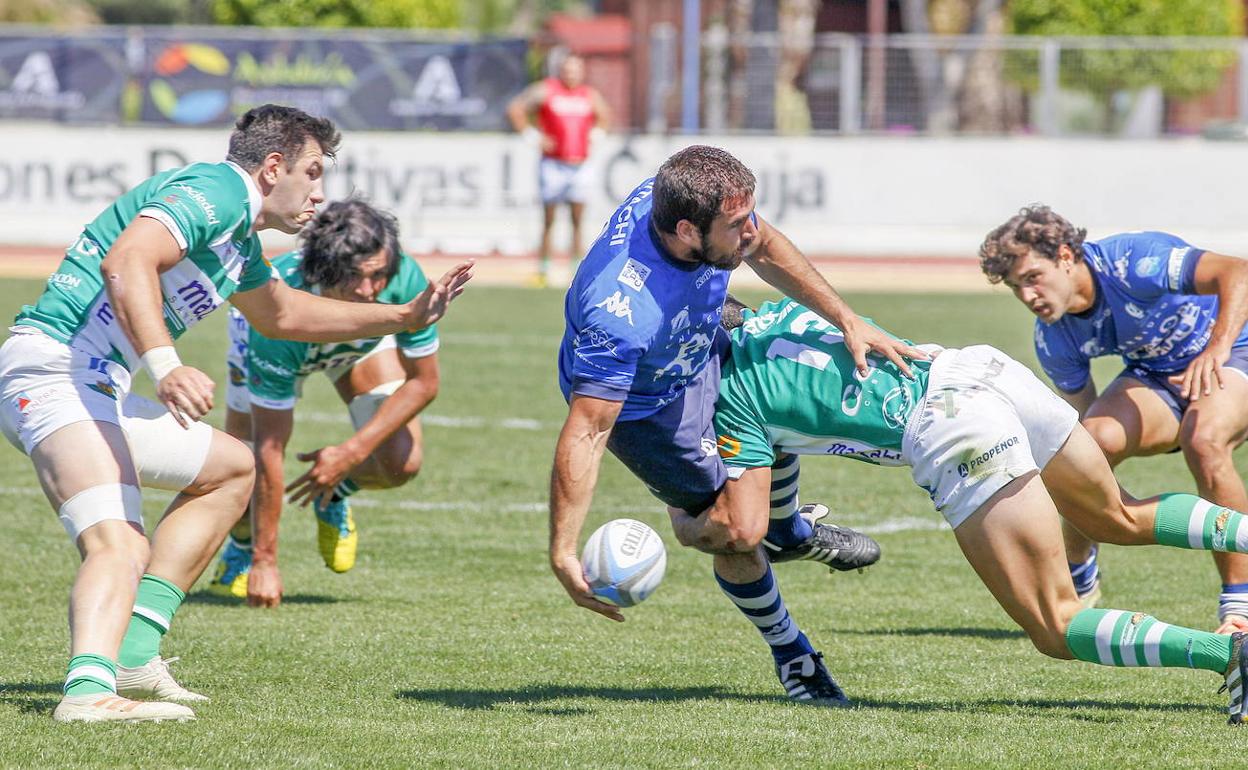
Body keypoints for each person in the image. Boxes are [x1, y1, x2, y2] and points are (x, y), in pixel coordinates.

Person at [0, 105, 472, 723]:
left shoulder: (239, 240)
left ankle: (135, 656)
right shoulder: (218, 190)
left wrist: (404, 317)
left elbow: (284, 316)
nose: (319, 193)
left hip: (93, 384)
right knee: (118, 542)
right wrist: (167, 366)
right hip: (54, 371)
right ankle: (88, 693)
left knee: (231, 468)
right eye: (312, 172)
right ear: (273, 168)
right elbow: (127, 260)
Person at [697, 295, 1248, 724]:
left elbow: (743, 525)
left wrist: (701, 523)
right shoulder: (782, 313)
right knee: (1117, 517)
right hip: (983, 370)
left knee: (1057, 624)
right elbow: (782, 443)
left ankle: (1226, 652)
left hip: (955, 428)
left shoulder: (733, 394)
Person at [549, 145, 923, 706]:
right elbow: (587, 432)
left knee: (794, 380)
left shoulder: (686, 197)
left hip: (698, 334)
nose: (749, 230)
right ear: (684, 231)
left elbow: (764, 244)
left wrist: (848, 319)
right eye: (734, 225)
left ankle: (790, 530)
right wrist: (563, 551)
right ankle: (792, 652)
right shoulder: (620, 315)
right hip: (649, 407)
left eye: (750, 213)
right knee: (737, 532)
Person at [979, 206, 1248, 634]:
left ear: (1066, 256)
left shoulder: (1133, 262)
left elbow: (1238, 272)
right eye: (1016, 288)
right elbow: (1077, 445)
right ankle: (1079, 565)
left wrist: (1216, 349)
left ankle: (1240, 604)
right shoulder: (1055, 336)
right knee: (1088, 446)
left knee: (1204, 440)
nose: (1028, 296)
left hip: (1236, 348)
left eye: (1033, 278)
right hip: (1159, 374)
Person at [208, 199, 440, 607]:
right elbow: (270, 446)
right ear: (324, 270)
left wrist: (348, 456)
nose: (370, 292)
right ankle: (242, 550)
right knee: (240, 475)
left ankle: (333, 493)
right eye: (355, 278)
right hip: (285, 340)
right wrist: (266, 560)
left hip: (358, 350)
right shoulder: (274, 313)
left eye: (378, 276)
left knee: (402, 461)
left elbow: (424, 384)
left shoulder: (402, 277)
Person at [506, 52, 610, 287]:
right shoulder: (547, 90)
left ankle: (576, 270)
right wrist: (532, 136)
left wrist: (596, 135)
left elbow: (605, 116)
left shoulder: (588, 94)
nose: (571, 74)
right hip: (553, 164)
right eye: (568, 69)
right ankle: (543, 269)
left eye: (576, 69)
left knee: (577, 220)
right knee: (549, 219)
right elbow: (516, 108)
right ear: (561, 70)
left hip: (580, 165)